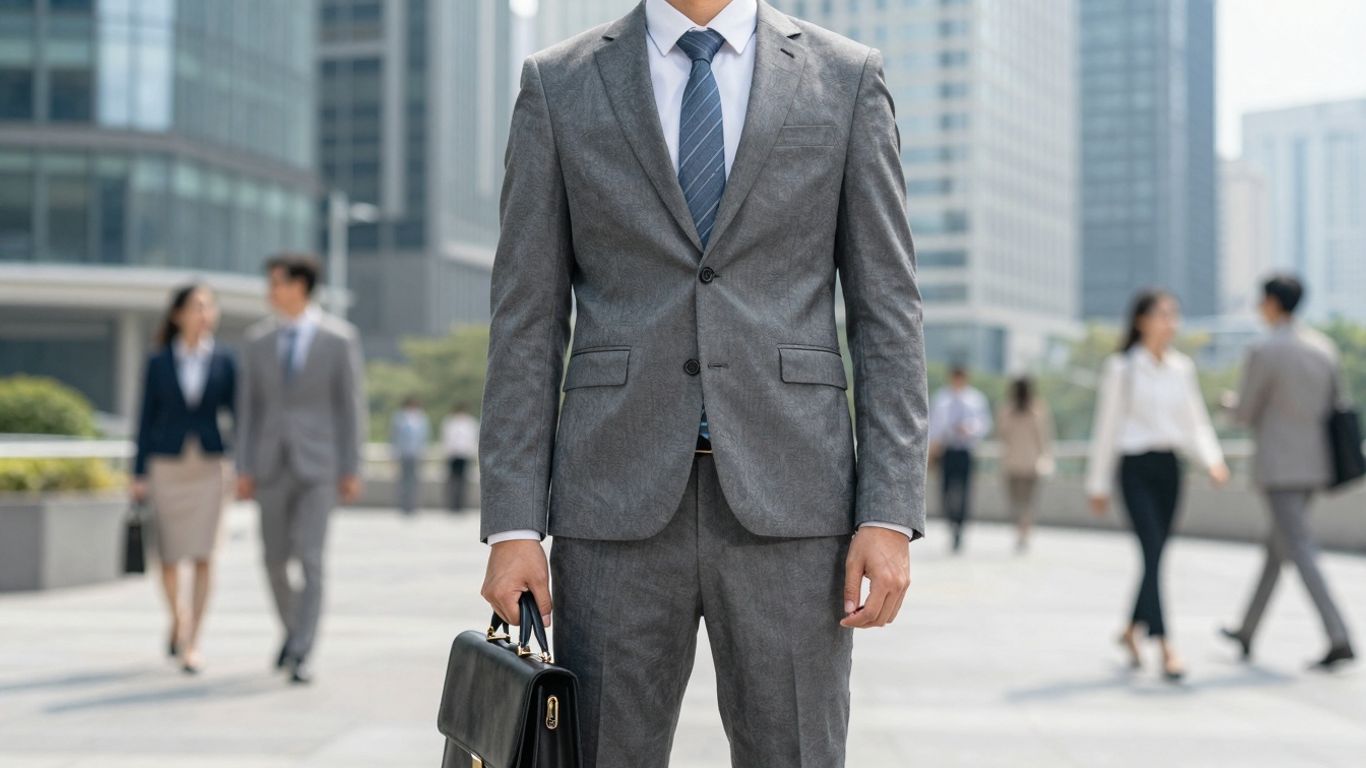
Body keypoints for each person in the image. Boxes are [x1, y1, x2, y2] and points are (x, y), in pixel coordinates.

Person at [477, 0, 928, 764]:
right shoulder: (558, 84)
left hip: (794, 499)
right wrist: (513, 525)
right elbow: (526, 318)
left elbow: (887, 313)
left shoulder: (847, 78)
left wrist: (888, 511)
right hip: (611, 503)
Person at [235, 253, 367, 685]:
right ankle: (293, 631)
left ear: (300, 286)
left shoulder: (339, 339)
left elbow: (351, 408)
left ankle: (302, 650)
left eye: (277, 283)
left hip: (320, 467)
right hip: (270, 465)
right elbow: (247, 410)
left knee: (311, 560)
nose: (270, 291)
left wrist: (351, 467)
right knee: (273, 561)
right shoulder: (257, 341)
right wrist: (243, 467)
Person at [1086, 289, 1229, 682]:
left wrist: (1213, 461)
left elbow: (1195, 421)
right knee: (1152, 551)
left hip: (1170, 469)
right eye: (1163, 314)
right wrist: (1098, 484)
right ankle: (1166, 646)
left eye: (1174, 315)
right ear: (1142, 321)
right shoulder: (1122, 368)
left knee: (1156, 556)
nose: (1171, 323)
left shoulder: (1182, 368)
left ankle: (1131, 630)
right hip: (1134, 469)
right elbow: (1106, 427)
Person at [1220, 275, 1356, 670]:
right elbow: (1337, 405)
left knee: (1299, 548)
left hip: (1279, 468)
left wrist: (1228, 404)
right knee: (1277, 549)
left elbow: (1245, 412)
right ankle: (1247, 630)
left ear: (1272, 303)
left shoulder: (1264, 350)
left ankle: (1339, 635)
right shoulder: (1323, 348)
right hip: (1316, 465)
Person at [131, 284, 236, 675]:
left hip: (209, 465)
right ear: (178, 314)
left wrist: (243, 465)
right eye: (196, 307)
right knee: (169, 556)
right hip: (166, 465)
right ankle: (179, 618)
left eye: (209, 307)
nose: (204, 314)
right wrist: (138, 472)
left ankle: (193, 642)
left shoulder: (225, 360)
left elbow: (240, 414)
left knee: (205, 555)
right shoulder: (159, 361)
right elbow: (144, 417)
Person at [929, 365, 992, 553]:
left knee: (965, 491)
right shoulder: (941, 399)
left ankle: (960, 528)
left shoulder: (976, 399)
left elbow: (984, 424)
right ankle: (951, 523)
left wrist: (969, 429)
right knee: (946, 490)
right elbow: (933, 425)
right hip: (946, 450)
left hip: (965, 450)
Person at [995, 376, 1054, 553]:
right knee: (1028, 503)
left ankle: (1021, 532)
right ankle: (1024, 533)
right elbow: (1044, 437)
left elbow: (1001, 435)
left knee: (1016, 502)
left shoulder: (1007, 410)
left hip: (1013, 463)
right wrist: (1046, 457)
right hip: (1030, 463)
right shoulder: (1037, 409)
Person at [389, 396, 430, 516]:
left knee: (415, 480)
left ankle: (414, 505)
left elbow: (425, 437)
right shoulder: (399, 417)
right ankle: (403, 505)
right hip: (403, 453)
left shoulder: (421, 418)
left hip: (416, 453)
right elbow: (394, 436)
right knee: (403, 480)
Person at [440, 403, 479, 512]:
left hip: (465, 455)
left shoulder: (471, 423)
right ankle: (452, 504)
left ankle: (461, 504)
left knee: (463, 481)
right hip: (452, 455)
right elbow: (446, 439)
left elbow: (473, 440)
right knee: (452, 480)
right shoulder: (450, 423)